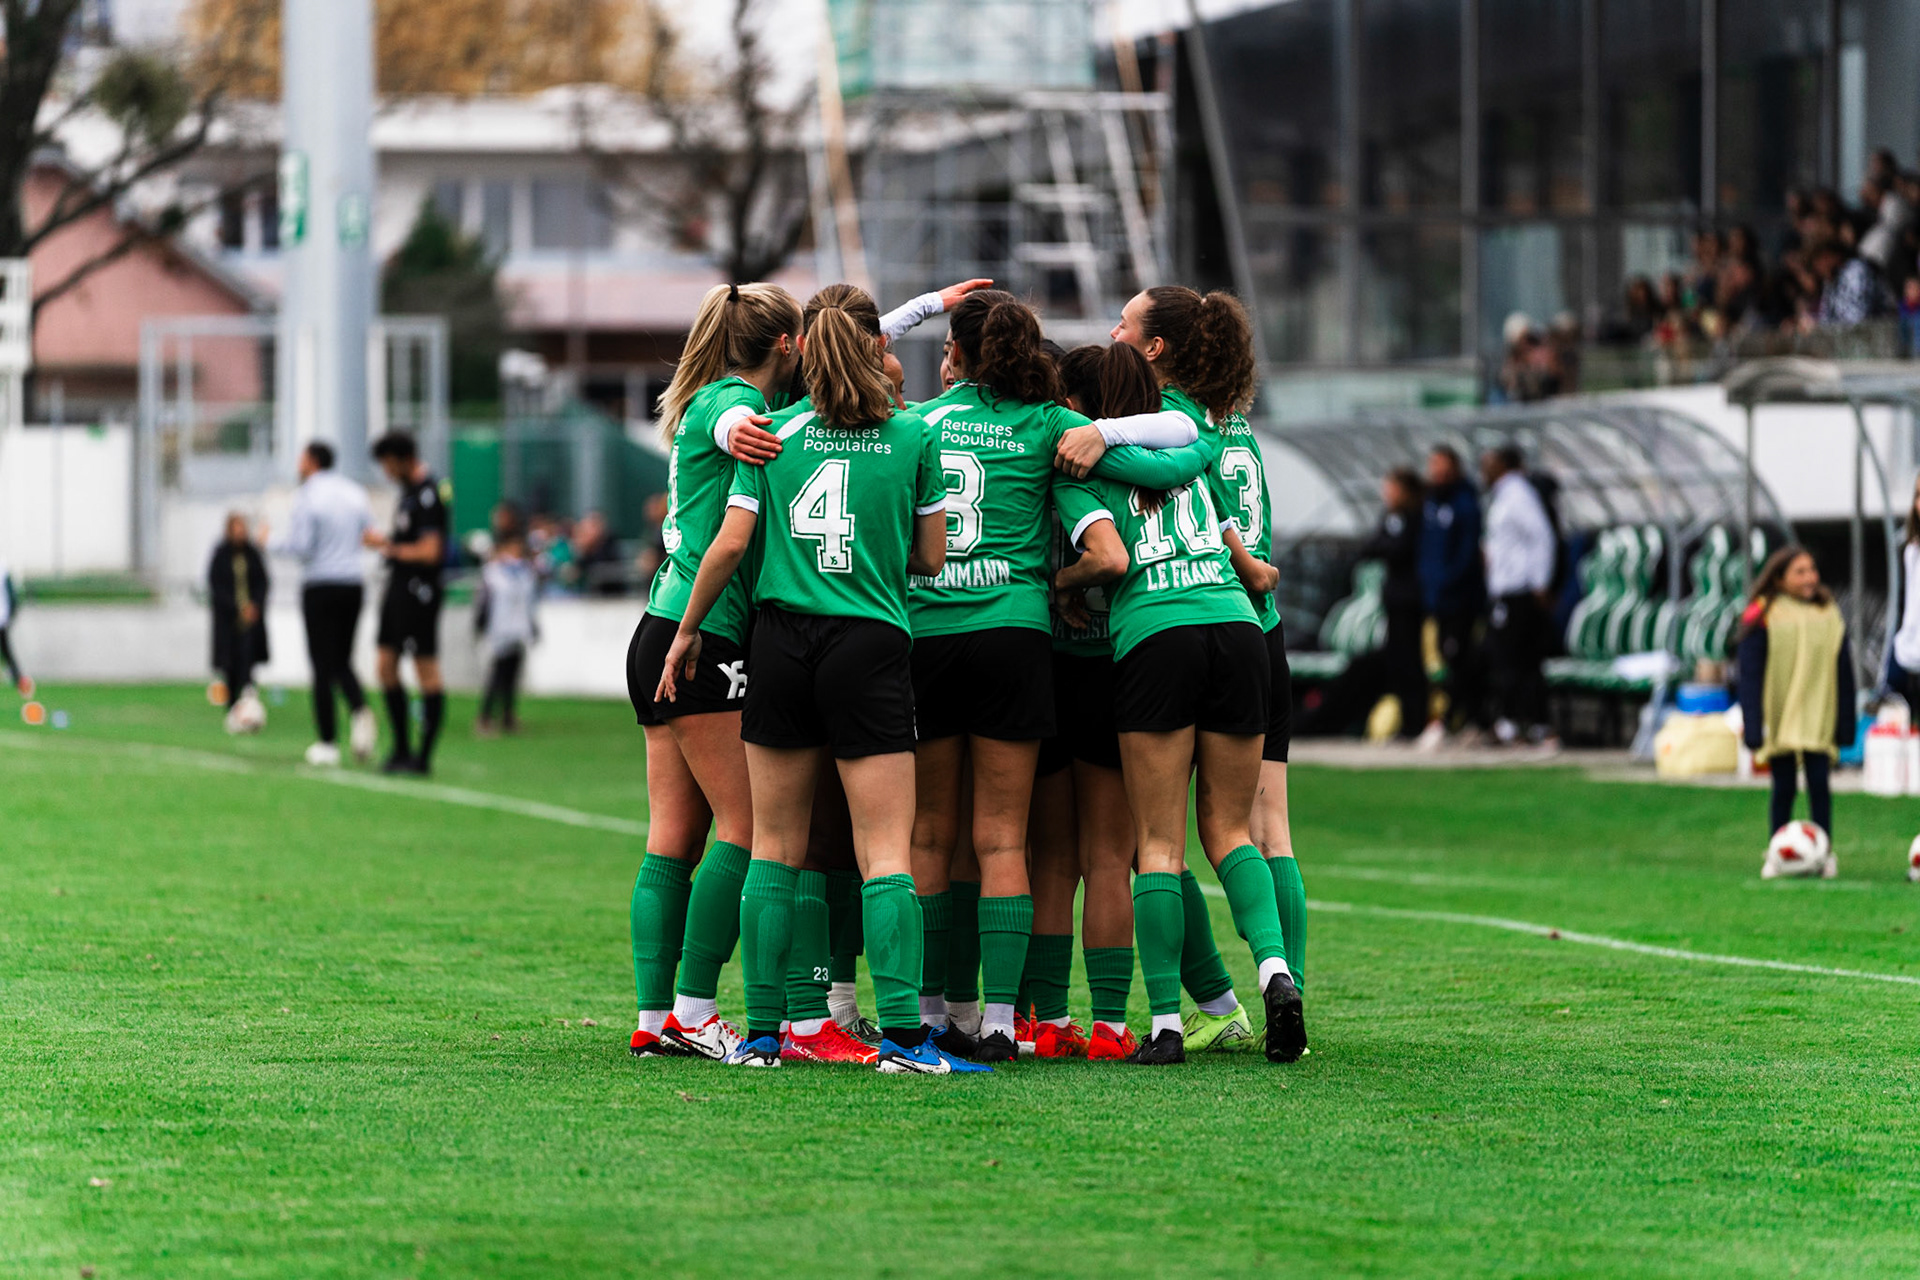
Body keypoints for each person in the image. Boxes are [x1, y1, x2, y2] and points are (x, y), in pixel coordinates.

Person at [656, 282, 983, 1075]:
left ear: (805, 353)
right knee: (885, 850)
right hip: (868, 641)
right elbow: (930, 558)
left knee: (774, 848)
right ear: (875, 354)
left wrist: (688, 628)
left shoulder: (774, 434)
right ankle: (904, 1041)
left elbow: (732, 542)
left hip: (778, 644)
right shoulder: (912, 435)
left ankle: (764, 1037)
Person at [903, 290, 1201, 1062]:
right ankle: (1004, 1023)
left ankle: (932, 1017)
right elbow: (1182, 432)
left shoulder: (920, 423)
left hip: (930, 634)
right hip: (1014, 634)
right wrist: (1104, 432)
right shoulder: (1048, 425)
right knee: (1004, 839)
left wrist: (914, 310)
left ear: (956, 353)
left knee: (930, 835)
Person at [1054, 286, 1305, 1066]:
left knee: (1158, 845)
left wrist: (1060, 586)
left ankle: (1166, 1023)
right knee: (1234, 832)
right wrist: (1253, 572)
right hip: (1237, 629)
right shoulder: (1195, 448)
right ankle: (1277, 973)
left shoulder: (1080, 463)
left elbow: (1107, 558)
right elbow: (1239, 546)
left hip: (1157, 634)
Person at [625, 281, 803, 1062]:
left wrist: (917, 309)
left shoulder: (706, 393)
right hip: (700, 636)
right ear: (785, 345)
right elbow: (733, 423)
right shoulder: (731, 403)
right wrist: (745, 433)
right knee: (748, 827)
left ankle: (655, 1017)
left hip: (658, 626)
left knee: (674, 836)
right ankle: (695, 1012)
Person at [1043, 341, 1219, 1060]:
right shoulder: (1163, 446)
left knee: (1043, 856)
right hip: (1115, 661)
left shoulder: (1053, 451)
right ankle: (1114, 1025)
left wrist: (1057, 583)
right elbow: (1188, 442)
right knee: (1116, 855)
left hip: (1044, 661)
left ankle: (1031, 1019)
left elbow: (1106, 555)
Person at [268, 441, 376, 768]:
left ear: (312, 461)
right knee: (342, 659)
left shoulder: (307, 496)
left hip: (321, 584)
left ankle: (327, 741)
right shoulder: (355, 493)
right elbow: (368, 535)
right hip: (353, 583)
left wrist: (268, 542)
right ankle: (359, 708)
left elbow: (301, 546)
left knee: (321, 665)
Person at [1737, 547, 1856, 845]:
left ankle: (1823, 851)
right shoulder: (1763, 614)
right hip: (1782, 716)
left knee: (1819, 784)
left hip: (1817, 714)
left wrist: (1846, 723)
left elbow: (1843, 671)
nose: (1810, 578)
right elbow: (1750, 673)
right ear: (1779, 578)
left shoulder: (1828, 613)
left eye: (1812, 570)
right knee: (1784, 787)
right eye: (1800, 572)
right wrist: (1753, 723)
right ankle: (1777, 850)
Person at [365, 432, 448, 775]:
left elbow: (431, 551)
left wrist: (389, 548)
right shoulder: (409, 494)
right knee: (385, 665)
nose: (386, 472)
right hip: (398, 589)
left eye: (388, 464)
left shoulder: (429, 493)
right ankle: (400, 748)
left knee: (425, 669)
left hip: (419, 592)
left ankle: (422, 757)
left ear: (403, 459)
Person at [1480, 445, 1558, 747]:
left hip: (1520, 591)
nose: (1484, 469)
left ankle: (1532, 724)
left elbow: (1542, 538)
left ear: (1504, 464)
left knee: (1519, 660)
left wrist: (1540, 582)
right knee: (1508, 659)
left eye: (1490, 462)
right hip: (1507, 590)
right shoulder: (1502, 496)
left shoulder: (1518, 495)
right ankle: (1513, 722)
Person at [1416, 445, 1485, 747]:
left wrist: (1446, 583)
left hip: (1461, 600)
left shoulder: (1465, 505)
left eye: (1442, 466)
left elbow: (1466, 554)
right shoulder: (1430, 503)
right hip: (1437, 600)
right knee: (1442, 661)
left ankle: (1462, 720)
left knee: (1460, 659)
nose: (1436, 472)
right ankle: (1452, 719)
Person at [474, 529, 538, 735]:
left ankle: (507, 716)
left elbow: (529, 603)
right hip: (500, 629)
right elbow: (484, 601)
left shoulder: (524, 572)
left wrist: (533, 626)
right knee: (498, 674)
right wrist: (480, 625)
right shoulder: (493, 573)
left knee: (512, 674)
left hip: (518, 629)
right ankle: (485, 717)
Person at [208, 513, 270, 714]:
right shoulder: (220, 555)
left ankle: (248, 703)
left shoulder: (253, 554)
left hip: (250, 619)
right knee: (229, 663)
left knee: (248, 660)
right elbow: (216, 586)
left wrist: (254, 606)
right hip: (228, 619)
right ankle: (233, 707)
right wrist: (237, 607)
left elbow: (263, 582)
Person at [0, 555, 28, 697]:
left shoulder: (2, 567)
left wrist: (11, 613)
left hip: (2, 618)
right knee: (7, 652)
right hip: (3, 618)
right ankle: (20, 681)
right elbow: (12, 594)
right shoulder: (3, 567)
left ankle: (20, 681)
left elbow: (11, 593)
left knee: (7, 651)